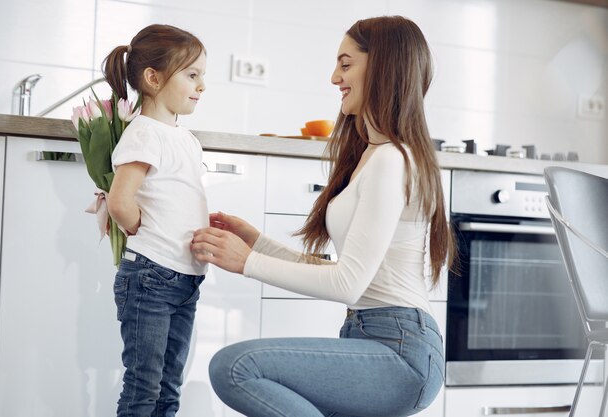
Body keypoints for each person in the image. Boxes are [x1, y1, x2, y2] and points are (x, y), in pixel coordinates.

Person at [191, 15, 456, 417]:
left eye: (346, 64)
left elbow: (347, 284)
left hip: (400, 349)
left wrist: (248, 263)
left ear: (383, 66)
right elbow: (345, 270)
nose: (335, 77)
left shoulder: (391, 160)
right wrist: (258, 244)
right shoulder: (372, 155)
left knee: (236, 367)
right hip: (378, 338)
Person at [103, 24, 208, 416]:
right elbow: (120, 201)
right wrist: (139, 229)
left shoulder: (184, 137)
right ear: (153, 78)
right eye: (192, 75)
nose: (201, 85)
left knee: (168, 386)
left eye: (202, 77)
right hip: (151, 277)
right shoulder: (145, 133)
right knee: (144, 386)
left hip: (183, 279)